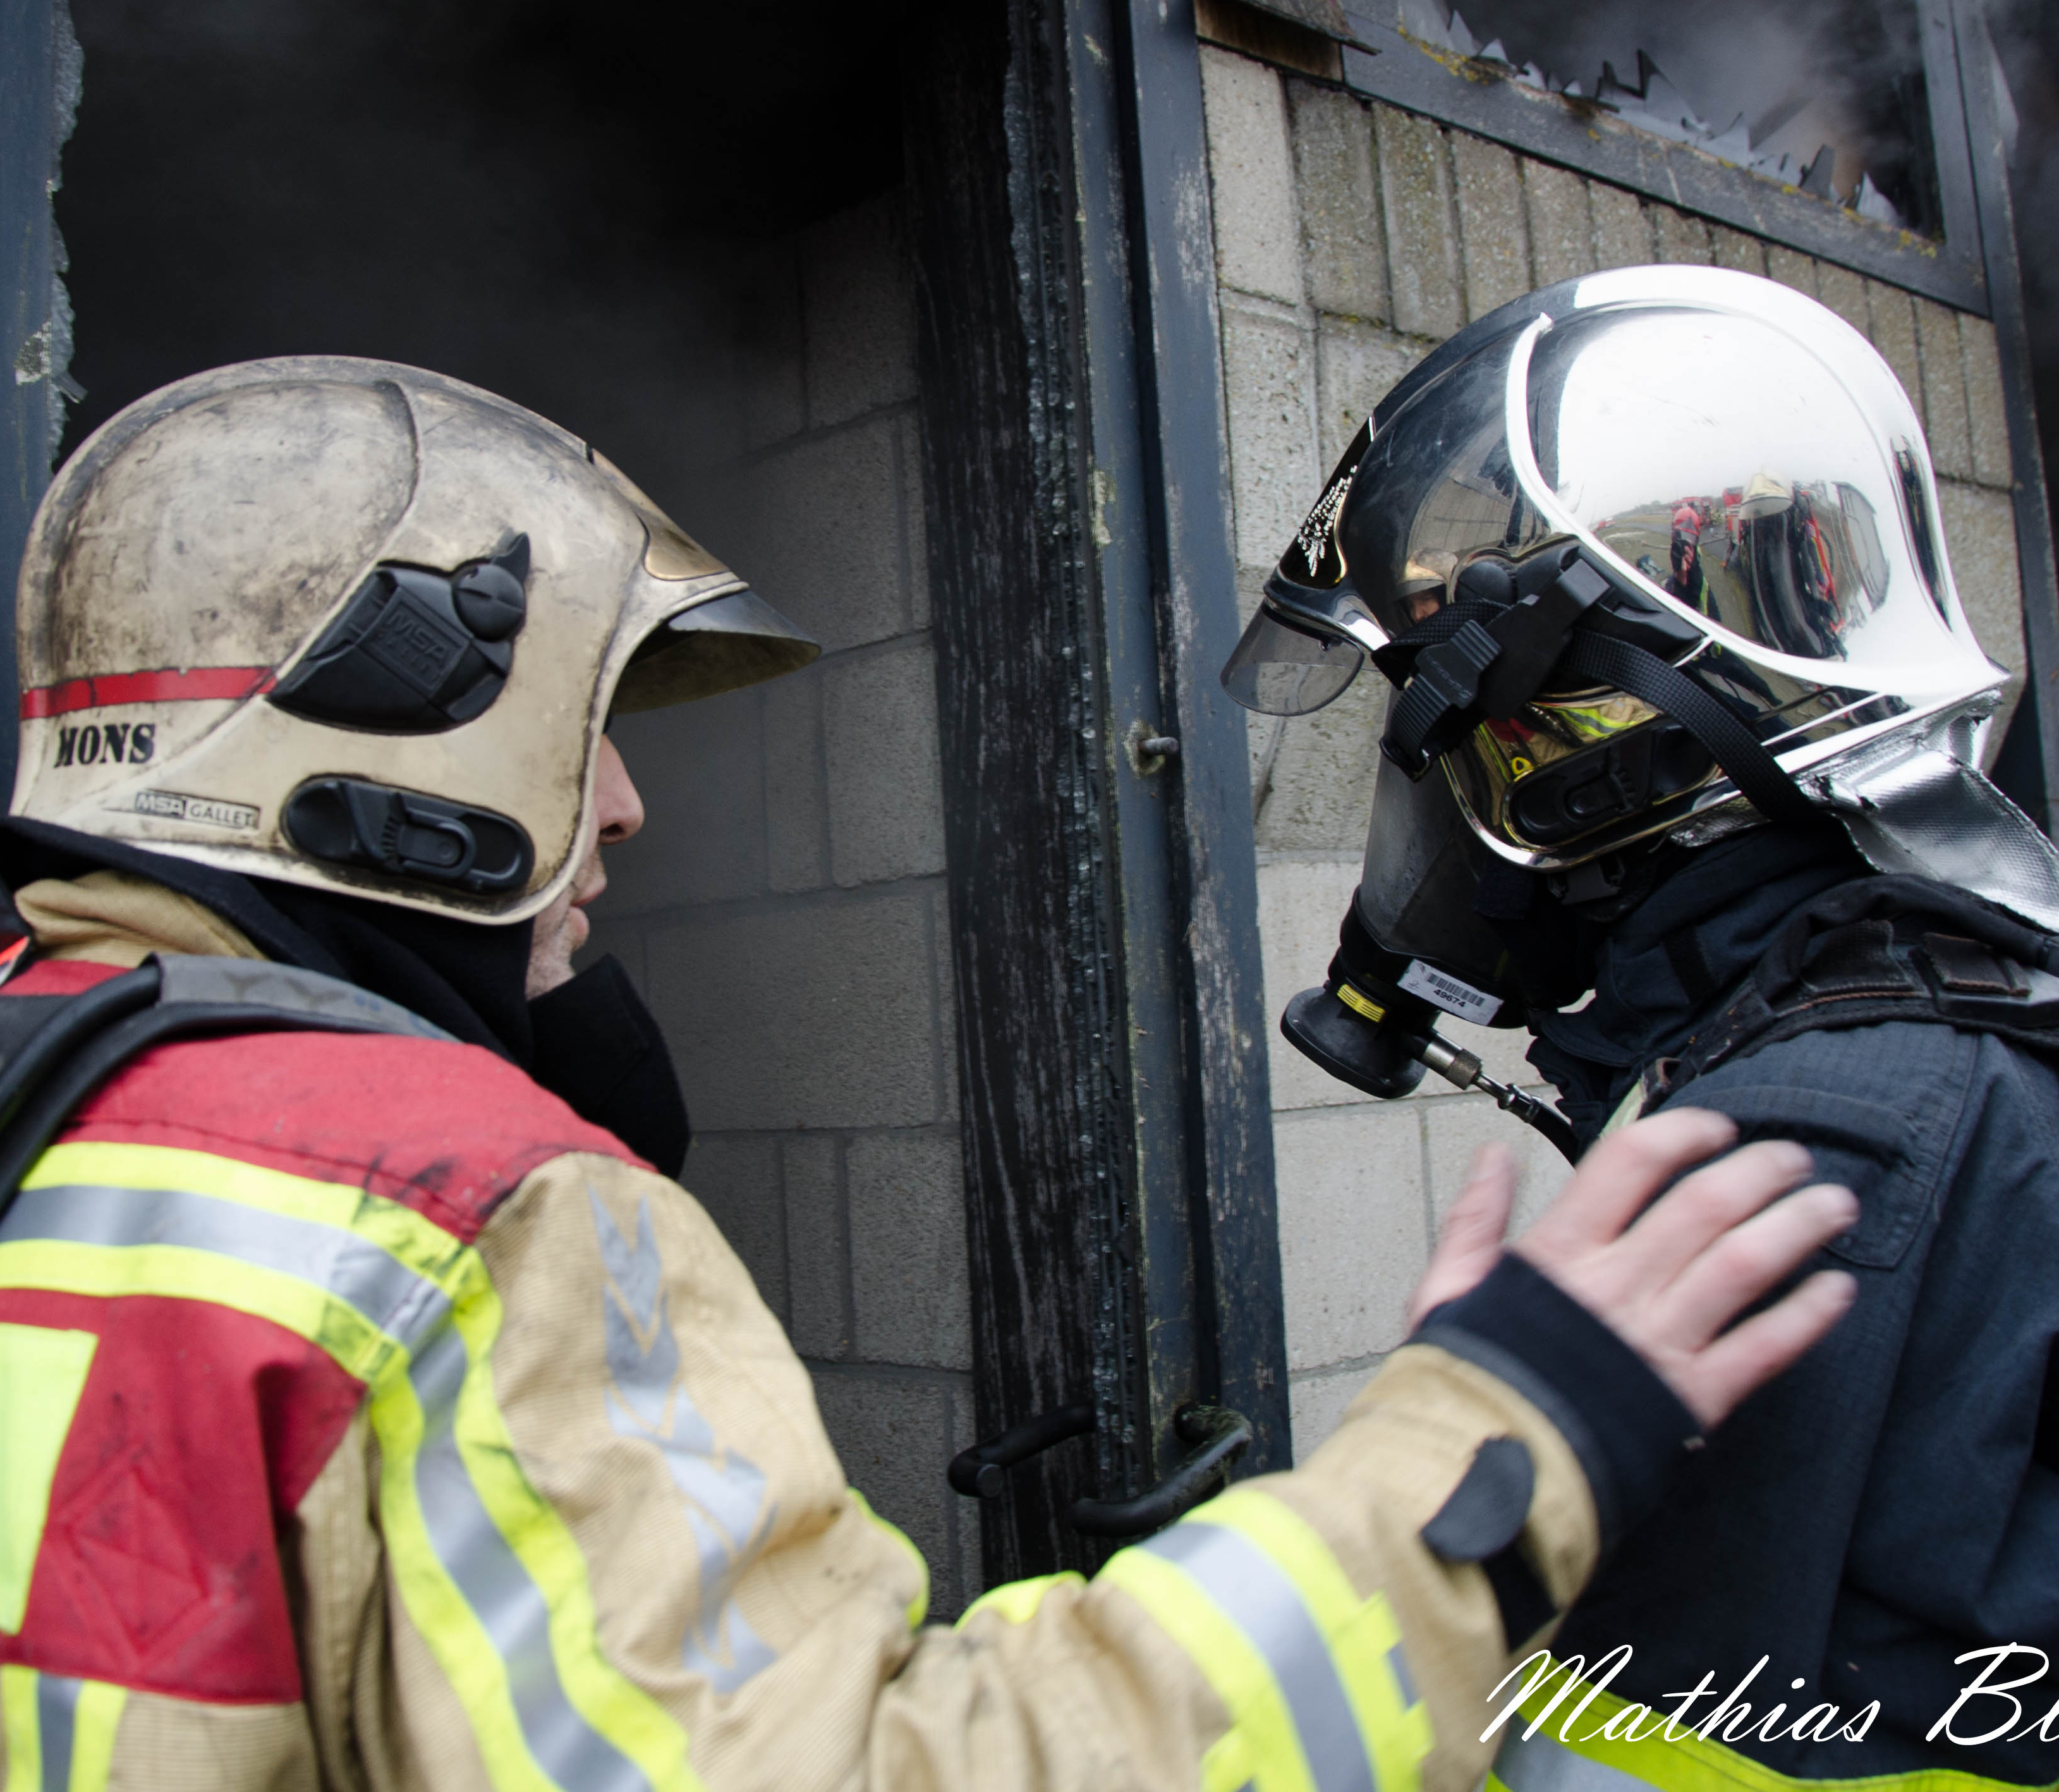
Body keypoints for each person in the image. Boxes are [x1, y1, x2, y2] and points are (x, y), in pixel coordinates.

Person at [0, 355, 1854, 1792]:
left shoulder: (63, 1099)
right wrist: (1487, 1460)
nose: (627, 807)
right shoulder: (447, 1209)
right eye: (578, 736)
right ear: (386, 712)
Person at [1225, 264, 2059, 1789]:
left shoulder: (1806, 1134)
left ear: (1598, 754)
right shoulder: (1945, 1023)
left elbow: (1625, 1750)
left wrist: (1473, 1468)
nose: (1422, 808)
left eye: (1441, 734)